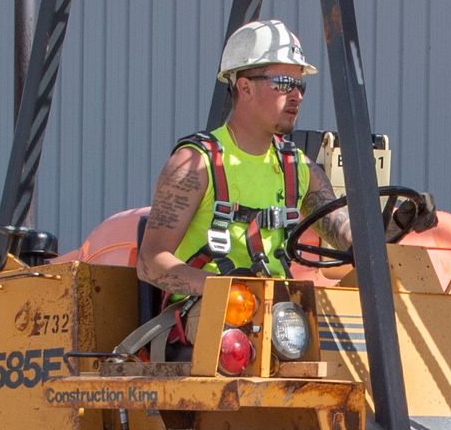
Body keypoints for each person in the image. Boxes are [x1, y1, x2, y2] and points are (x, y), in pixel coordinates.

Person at [137, 21, 352, 308]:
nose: (297, 96)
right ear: (245, 87)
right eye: (284, 84)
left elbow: (347, 235)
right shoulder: (195, 164)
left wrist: (397, 225)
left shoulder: (298, 167)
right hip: (208, 316)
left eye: (300, 85)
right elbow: (151, 263)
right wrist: (229, 291)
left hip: (277, 315)